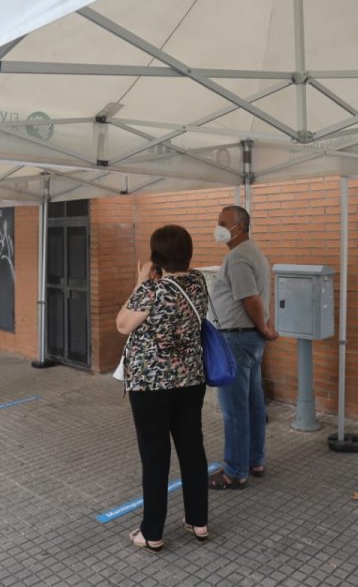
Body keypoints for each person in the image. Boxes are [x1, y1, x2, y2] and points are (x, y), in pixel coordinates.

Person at [116, 224, 210, 551]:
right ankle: (198, 521)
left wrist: (141, 280)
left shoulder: (152, 290)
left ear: (157, 256)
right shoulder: (198, 282)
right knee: (192, 448)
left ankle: (152, 532)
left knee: (156, 456)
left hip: (152, 384)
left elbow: (122, 324)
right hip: (191, 379)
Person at [209, 205, 278, 490]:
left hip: (237, 340)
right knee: (252, 403)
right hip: (248, 340)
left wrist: (263, 327)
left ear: (241, 226)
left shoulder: (238, 258)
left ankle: (235, 472)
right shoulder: (253, 252)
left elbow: (250, 298)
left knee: (235, 410)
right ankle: (254, 460)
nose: (219, 227)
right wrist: (262, 327)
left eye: (224, 222)